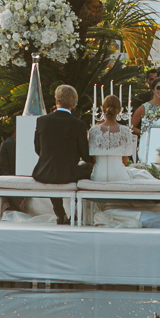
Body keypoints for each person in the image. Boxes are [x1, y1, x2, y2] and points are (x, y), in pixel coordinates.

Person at [33, 84, 90, 224]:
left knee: (53, 171)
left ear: (56, 100)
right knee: (88, 168)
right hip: (68, 173)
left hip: (44, 171)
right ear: (74, 103)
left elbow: (38, 149)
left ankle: (60, 212)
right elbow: (86, 155)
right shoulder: (79, 125)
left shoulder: (42, 121)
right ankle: (76, 212)